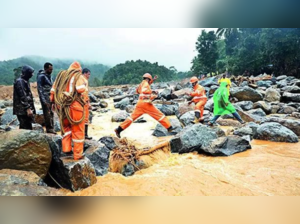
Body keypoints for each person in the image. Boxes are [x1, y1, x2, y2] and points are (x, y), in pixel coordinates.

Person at [114, 73, 175, 138]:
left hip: (140, 104)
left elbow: (138, 91)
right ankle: (169, 127)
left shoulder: (142, 84)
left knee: (131, 118)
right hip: (146, 103)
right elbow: (145, 91)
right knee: (159, 115)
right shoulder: (145, 84)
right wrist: (153, 93)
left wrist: (152, 81)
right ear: (148, 79)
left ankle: (119, 129)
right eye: (150, 80)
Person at [50, 62, 87, 160]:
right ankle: (78, 154)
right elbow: (80, 89)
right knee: (78, 129)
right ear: (79, 70)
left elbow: (52, 92)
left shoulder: (61, 76)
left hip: (62, 107)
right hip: (75, 107)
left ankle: (66, 150)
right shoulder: (78, 76)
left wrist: (53, 103)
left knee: (66, 128)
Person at [13, 65, 36, 130]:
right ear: (26, 73)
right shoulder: (20, 82)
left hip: (24, 110)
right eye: (31, 73)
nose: (32, 74)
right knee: (24, 128)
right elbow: (23, 96)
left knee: (28, 127)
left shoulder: (24, 81)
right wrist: (28, 108)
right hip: (22, 110)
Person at [37, 62, 56, 134]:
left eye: (52, 69)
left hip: (50, 97)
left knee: (51, 113)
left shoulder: (49, 76)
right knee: (47, 113)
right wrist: (43, 100)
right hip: (45, 97)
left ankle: (52, 127)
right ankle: (49, 128)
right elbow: (40, 89)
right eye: (50, 69)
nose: (51, 71)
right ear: (45, 69)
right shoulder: (41, 76)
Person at [82, 68, 92, 140]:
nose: (89, 76)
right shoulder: (83, 80)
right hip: (83, 102)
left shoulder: (83, 80)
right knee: (85, 119)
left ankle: (84, 134)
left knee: (84, 118)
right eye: (88, 74)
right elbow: (84, 93)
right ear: (85, 73)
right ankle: (85, 135)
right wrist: (88, 103)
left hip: (84, 101)